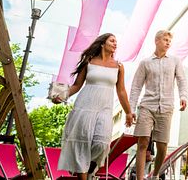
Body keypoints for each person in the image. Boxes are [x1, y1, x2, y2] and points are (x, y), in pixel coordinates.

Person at [52, 33, 133, 180]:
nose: (115, 43)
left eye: (116, 41)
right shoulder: (89, 61)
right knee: (82, 143)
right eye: (112, 40)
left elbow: (121, 91)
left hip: (104, 109)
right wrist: (62, 96)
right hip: (85, 106)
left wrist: (128, 112)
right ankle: (82, 174)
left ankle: (89, 167)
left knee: (101, 144)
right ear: (103, 43)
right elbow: (77, 86)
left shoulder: (119, 66)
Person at [129, 30, 188, 180]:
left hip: (166, 107)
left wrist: (183, 96)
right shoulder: (145, 63)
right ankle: (140, 178)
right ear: (157, 41)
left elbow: (181, 80)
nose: (168, 42)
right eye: (165, 39)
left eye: (169, 40)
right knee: (143, 142)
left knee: (162, 147)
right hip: (147, 106)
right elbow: (136, 86)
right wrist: (131, 108)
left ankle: (155, 175)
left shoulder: (175, 61)